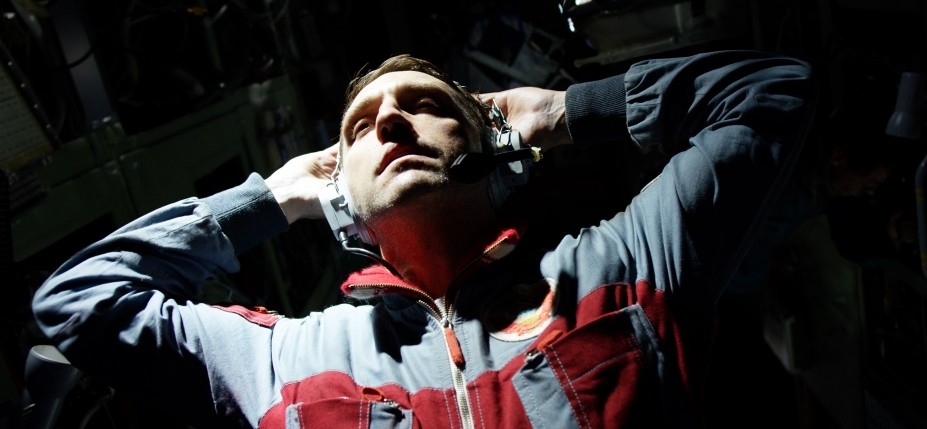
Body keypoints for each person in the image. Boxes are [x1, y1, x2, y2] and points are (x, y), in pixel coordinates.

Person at [32, 51, 816, 428]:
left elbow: (773, 93)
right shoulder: (283, 357)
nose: (392, 123)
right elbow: (80, 300)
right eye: (360, 127)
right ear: (339, 194)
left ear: (492, 144)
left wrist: (560, 111)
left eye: (425, 105)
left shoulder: (619, 267)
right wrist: (270, 198)